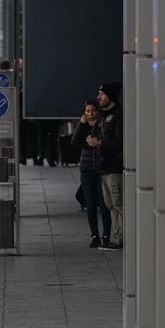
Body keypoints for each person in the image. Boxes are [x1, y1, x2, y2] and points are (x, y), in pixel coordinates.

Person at [74, 99, 110, 248]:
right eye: (87, 111)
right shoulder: (83, 126)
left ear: (98, 111)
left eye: (93, 110)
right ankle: (94, 235)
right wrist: (81, 124)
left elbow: (107, 140)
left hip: (101, 169)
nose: (90, 114)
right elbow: (74, 142)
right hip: (86, 168)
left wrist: (97, 140)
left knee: (104, 203)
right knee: (90, 204)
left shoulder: (103, 125)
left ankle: (106, 235)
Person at [96, 83, 124, 250]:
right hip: (105, 167)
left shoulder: (118, 116)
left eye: (102, 94)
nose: (99, 97)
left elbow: (120, 142)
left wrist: (101, 142)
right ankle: (117, 237)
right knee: (111, 205)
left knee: (119, 204)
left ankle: (123, 238)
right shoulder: (105, 115)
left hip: (114, 167)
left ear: (110, 96)